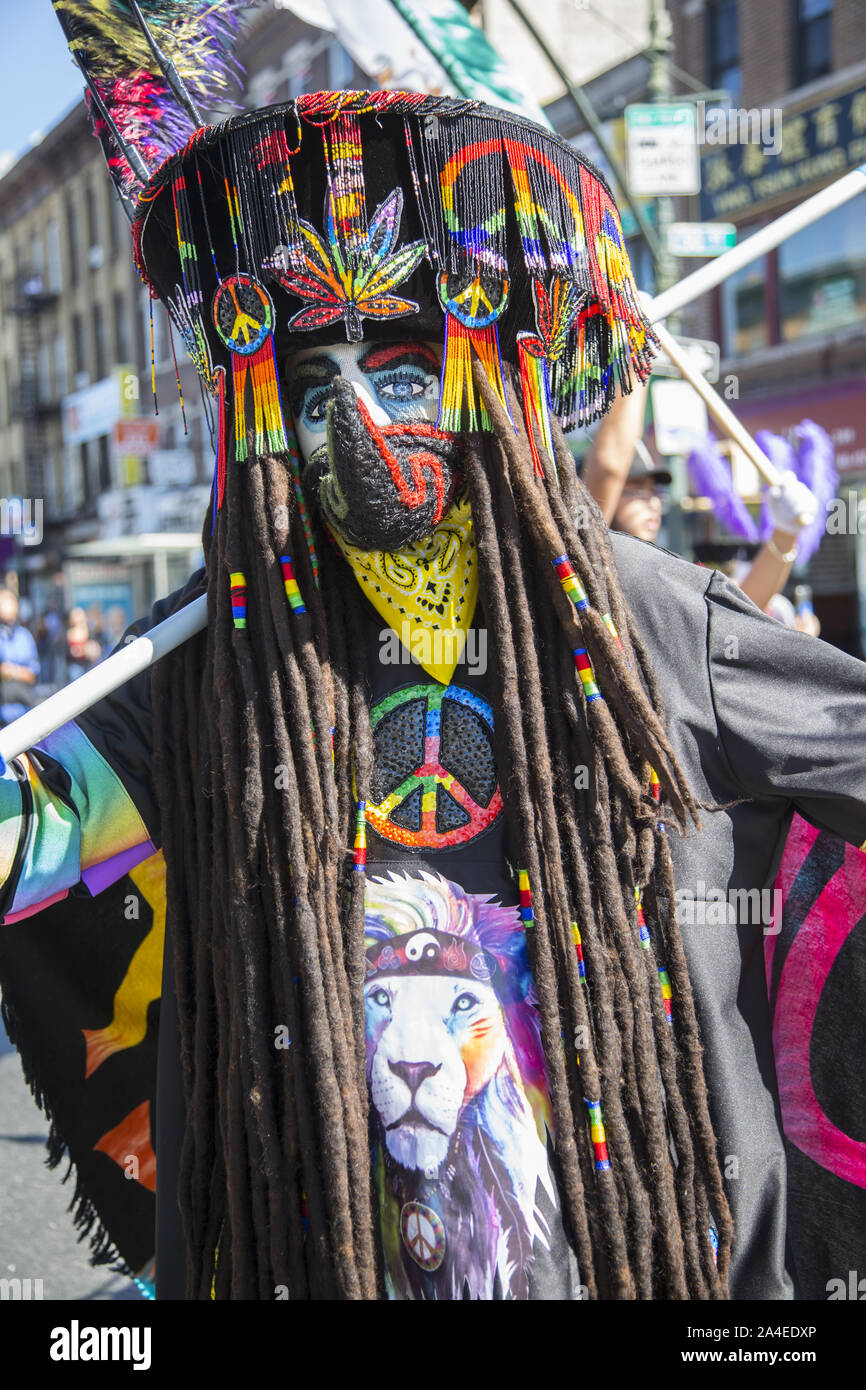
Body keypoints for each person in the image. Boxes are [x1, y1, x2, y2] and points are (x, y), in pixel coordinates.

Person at [2, 53, 866, 1303]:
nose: (355, 417)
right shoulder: (219, 644)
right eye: (315, 387)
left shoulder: (643, 620)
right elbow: (47, 829)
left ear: (483, 389)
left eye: (401, 373)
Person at [0, 586, 40, 726]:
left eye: (11, 602)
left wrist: (11, 671)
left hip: (24, 710)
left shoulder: (24, 635)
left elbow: (32, 674)